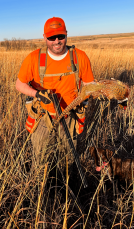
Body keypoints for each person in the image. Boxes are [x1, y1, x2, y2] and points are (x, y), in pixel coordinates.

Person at [16, 17, 94, 166]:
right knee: (41, 159)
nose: (57, 41)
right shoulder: (34, 58)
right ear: (45, 37)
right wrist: (37, 94)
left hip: (70, 117)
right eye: (52, 37)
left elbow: (89, 84)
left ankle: (67, 184)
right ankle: (42, 184)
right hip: (43, 118)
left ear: (66, 35)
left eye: (61, 36)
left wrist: (96, 91)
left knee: (69, 159)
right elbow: (19, 84)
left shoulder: (79, 57)